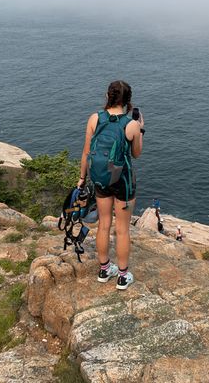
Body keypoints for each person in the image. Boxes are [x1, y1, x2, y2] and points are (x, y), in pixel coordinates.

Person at [78, 80, 144, 290]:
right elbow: (136, 154)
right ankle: (123, 277)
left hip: (101, 178)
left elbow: (86, 152)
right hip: (123, 180)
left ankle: (104, 269)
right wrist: (140, 130)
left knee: (104, 224)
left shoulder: (95, 118)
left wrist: (81, 178)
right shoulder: (131, 124)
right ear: (127, 101)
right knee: (122, 228)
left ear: (108, 96)